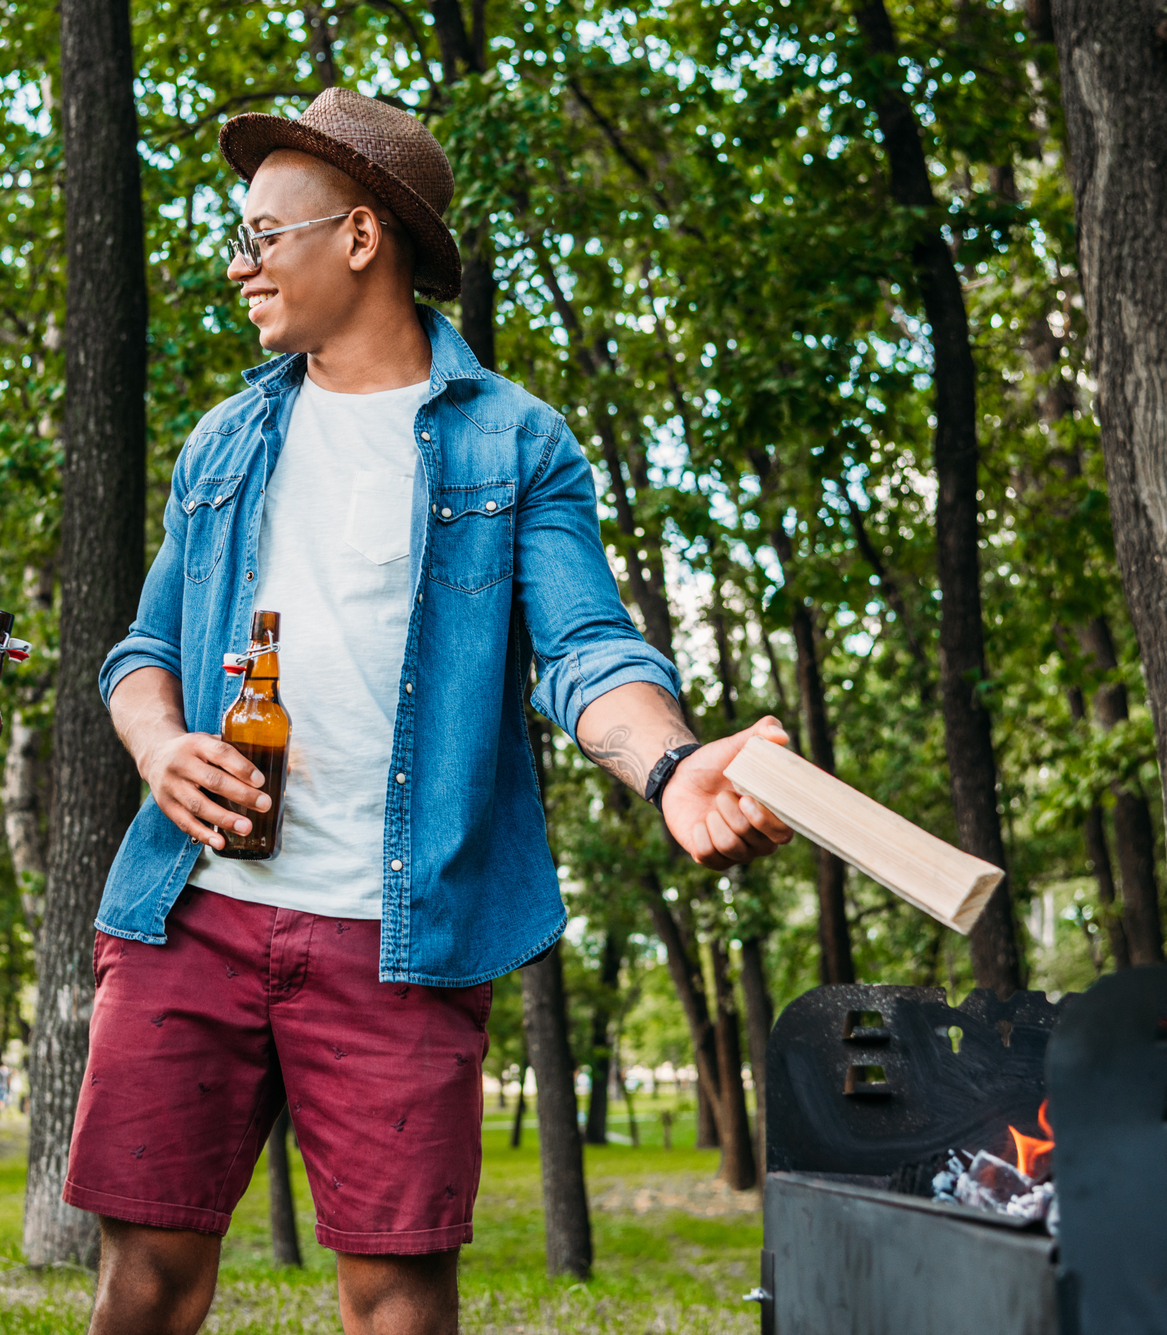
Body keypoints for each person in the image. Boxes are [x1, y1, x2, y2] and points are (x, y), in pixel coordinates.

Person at [65, 89, 796, 1335]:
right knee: (143, 1282)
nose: (238, 266)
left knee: (396, 1302)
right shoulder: (221, 445)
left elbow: (583, 650)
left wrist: (673, 765)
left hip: (398, 938)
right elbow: (141, 650)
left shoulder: (517, 447)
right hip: (193, 918)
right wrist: (158, 746)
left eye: (261, 236)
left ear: (358, 238)